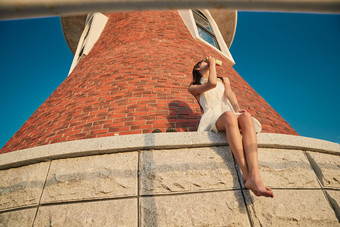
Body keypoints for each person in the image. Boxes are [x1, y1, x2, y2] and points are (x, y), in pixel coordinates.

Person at [188, 56, 274, 198]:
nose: (207, 61)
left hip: (229, 113)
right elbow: (212, 83)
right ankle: (246, 173)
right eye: (204, 60)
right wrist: (213, 63)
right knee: (228, 115)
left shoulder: (225, 80)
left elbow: (230, 94)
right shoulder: (193, 87)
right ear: (198, 68)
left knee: (246, 116)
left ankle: (255, 176)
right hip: (213, 118)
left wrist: (238, 109)